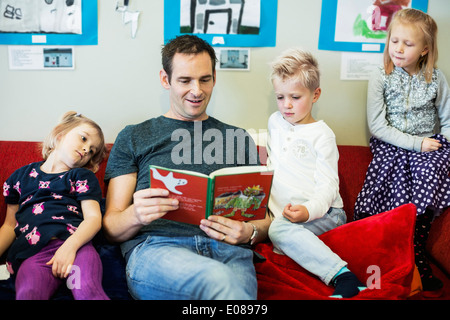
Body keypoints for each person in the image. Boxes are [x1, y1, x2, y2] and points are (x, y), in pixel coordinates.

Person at [102, 34, 271, 300]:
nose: (197, 90)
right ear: (165, 79)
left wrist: (250, 232)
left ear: (214, 77)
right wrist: (136, 214)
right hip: (158, 247)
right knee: (221, 282)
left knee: (233, 290)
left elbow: (263, 218)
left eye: (205, 79)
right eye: (184, 80)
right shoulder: (134, 136)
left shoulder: (239, 138)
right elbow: (111, 227)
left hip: (229, 250)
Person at [354, 8, 450, 292]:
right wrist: (414, 143)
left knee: (432, 168)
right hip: (391, 144)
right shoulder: (381, 76)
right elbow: (377, 126)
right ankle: (393, 255)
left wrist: (441, 143)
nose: (398, 48)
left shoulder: (436, 78)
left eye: (408, 44)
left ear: (424, 50)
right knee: (392, 183)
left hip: (427, 144)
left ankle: (417, 252)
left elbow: (447, 120)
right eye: (394, 41)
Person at [266, 48, 365, 298]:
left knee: (278, 232)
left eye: (295, 97)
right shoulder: (274, 122)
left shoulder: (322, 135)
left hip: (326, 213)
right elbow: (272, 165)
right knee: (275, 232)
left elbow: (329, 187)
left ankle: (342, 274)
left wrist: (309, 211)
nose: (286, 105)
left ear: (315, 94)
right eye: (280, 97)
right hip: (286, 216)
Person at [0, 111, 109, 300]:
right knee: (29, 294)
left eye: (91, 150)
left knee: (87, 290)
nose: (86, 150)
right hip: (32, 253)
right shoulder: (19, 178)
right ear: (60, 135)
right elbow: (9, 226)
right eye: (83, 139)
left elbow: (93, 218)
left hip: (77, 247)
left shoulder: (81, 177)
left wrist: (70, 247)